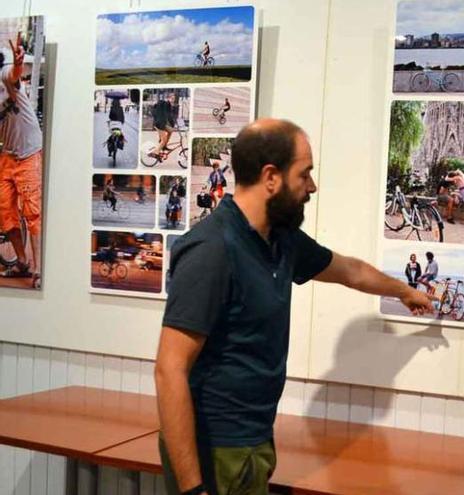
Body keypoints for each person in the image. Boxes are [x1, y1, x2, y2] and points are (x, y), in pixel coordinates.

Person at [155, 119, 434, 495]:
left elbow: (349, 270)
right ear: (271, 177)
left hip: (253, 441)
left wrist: (404, 290)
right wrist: (192, 489)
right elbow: (169, 369)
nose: (312, 187)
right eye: (305, 174)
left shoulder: (279, 238)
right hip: (217, 449)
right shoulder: (213, 250)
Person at [0, 32, 43, 284]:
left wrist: (18, 63)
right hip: (7, 155)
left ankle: (38, 268)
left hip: (28, 152)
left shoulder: (4, 77)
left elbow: (14, 74)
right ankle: (21, 261)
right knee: (5, 212)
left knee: (32, 211)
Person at [150, 92, 178, 160]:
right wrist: (173, 123)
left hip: (162, 124)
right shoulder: (166, 104)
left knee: (171, 131)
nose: (173, 100)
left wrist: (174, 124)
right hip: (159, 124)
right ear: (168, 98)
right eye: (171, 98)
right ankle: (155, 153)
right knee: (164, 139)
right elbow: (168, 116)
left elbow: (169, 117)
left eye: (174, 99)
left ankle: (164, 146)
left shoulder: (168, 105)